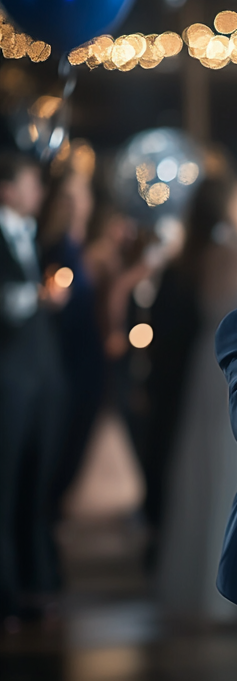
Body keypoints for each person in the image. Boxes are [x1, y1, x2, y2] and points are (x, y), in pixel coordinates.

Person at [156, 175, 237, 621]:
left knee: (208, 466)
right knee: (233, 466)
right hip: (236, 364)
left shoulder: (198, 251)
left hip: (207, 364)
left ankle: (202, 582)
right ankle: (230, 587)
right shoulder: (234, 248)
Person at [0, 153, 65, 625]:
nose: (38, 193)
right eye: (30, 184)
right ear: (7, 188)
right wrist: (39, 297)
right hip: (9, 383)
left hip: (38, 382)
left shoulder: (30, 236)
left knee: (36, 483)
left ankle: (33, 583)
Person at [39, 163, 106, 505]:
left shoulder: (88, 247)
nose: (78, 202)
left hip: (89, 360)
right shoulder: (56, 248)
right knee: (60, 452)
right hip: (67, 362)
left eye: (82, 193)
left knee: (77, 449)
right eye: (69, 195)